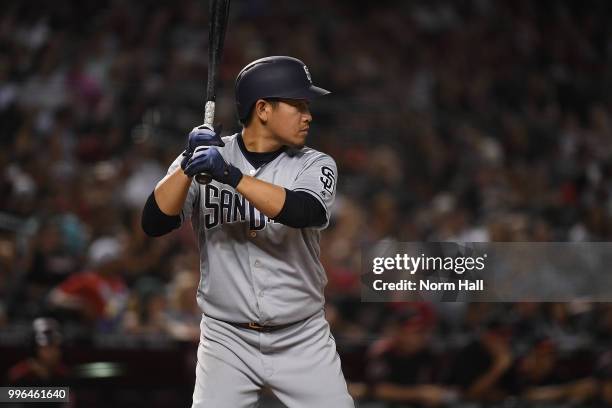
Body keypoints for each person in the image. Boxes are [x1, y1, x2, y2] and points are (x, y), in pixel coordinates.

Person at [142, 56, 354, 408]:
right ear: (263, 109)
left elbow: (305, 211)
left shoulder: (315, 163)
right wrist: (185, 164)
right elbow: (154, 223)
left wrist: (231, 176)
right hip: (226, 339)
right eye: (298, 104)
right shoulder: (207, 156)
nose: (308, 115)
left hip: (301, 337)